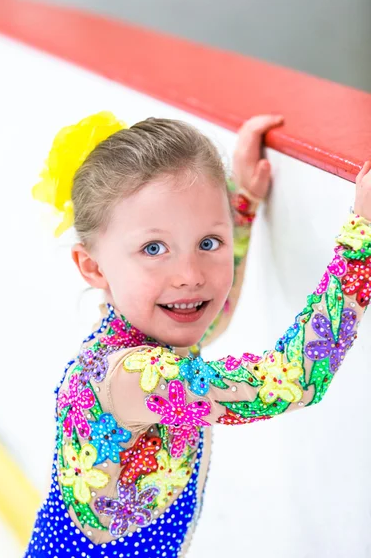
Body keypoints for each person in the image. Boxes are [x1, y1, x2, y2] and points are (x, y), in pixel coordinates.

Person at [26, 111, 371, 558]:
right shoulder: (133, 377)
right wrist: (361, 241)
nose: (190, 276)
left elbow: (213, 316)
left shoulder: (140, 334)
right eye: (154, 249)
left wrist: (243, 201)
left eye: (209, 243)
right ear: (93, 267)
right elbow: (295, 378)